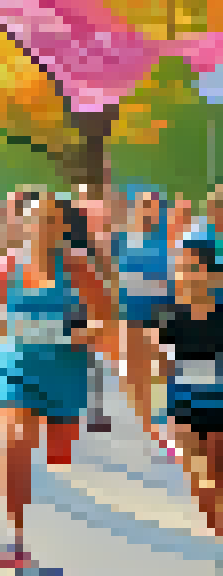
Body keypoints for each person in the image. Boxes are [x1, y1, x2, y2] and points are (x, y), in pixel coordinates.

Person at [0, 191, 114, 569]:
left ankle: (51, 513)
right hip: (15, 369)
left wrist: (84, 333)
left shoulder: (78, 268)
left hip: (64, 376)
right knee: (15, 441)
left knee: (58, 454)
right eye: (37, 219)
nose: (43, 227)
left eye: (52, 220)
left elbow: (107, 321)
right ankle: (15, 537)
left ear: (62, 228)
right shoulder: (6, 268)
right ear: (24, 224)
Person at [157, 229, 223, 535]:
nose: (183, 274)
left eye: (190, 266)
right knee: (201, 483)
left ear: (211, 273)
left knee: (216, 476)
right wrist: (165, 418)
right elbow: (163, 366)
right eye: (180, 267)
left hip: (218, 407)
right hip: (184, 410)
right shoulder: (171, 317)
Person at [116, 190, 180, 459]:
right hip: (129, 315)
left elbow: (174, 276)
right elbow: (113, 277)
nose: (149, 211)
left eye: (153, 206)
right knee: (135, 373)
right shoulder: (122, 239)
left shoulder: (167, 240)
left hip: (161, 313)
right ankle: (146, 426)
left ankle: (166, 423)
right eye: (144, 206)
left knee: (165, 368)